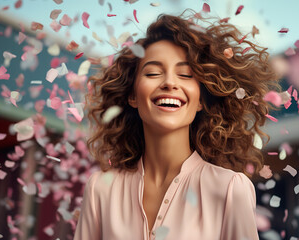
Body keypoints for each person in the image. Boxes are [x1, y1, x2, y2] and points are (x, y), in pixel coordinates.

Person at [74, 9, 279, 240]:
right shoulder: (101, 189)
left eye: (185, 74)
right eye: (152, 73)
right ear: (132, 95)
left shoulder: (231, 189)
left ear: (201, 100)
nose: (170, 83)